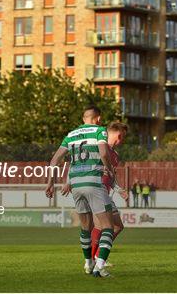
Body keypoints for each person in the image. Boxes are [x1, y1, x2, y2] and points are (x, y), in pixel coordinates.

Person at [45, 105, 116, 278]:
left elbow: (54, 161)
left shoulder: (70, 135)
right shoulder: (100, 130)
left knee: (86, 227)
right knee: (108, 226)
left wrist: (50, 183)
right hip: (93, 181)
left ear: (83, 118)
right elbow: (104, 153)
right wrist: (110, 169)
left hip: (76, 184)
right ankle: (100, 267)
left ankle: (88, 263)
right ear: (98, 118)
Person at [89, 122, 130, 267]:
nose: (122, 140)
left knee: (117, 226)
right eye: (123, 137)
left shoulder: (115, 155)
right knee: (102, 226)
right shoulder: (98, 148)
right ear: (119, 135)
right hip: (96, 191)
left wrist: (119, 190)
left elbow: (111, 177)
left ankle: (97, 256)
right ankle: (93, 260)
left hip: (105, 194)